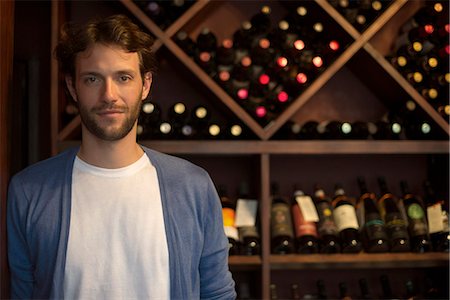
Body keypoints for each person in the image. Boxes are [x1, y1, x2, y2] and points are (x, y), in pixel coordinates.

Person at [7, 14, 236, 299]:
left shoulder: (193, 186)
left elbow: (217, 293)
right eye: (92, 79)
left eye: (123, 77)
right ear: (71, 87)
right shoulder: (29, 190)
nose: (109, 95)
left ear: (145, 84)